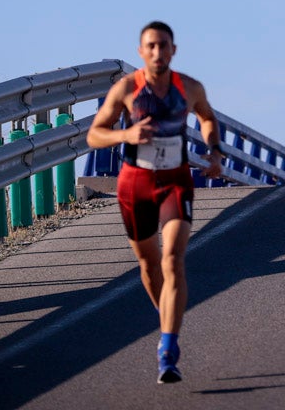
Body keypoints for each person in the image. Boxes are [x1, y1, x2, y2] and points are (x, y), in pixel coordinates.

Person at [87, 21, 224, 384]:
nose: (157, 52)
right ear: (140, 52)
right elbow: (94, 135)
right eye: (150, 46)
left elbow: (207, 117)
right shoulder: (127, 89)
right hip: (136, 183)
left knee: (173, 258)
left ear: (173, 50)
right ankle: (167, 320)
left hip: (176, 181)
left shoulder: (189, 87)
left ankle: (168, 345)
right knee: (149, 266)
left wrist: (213, 151)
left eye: (163, 45)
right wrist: (126, 133)